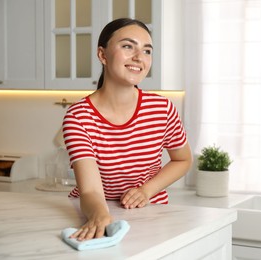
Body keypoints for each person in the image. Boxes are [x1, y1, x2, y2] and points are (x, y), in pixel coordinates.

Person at [62, 18, 192, 241]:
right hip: (95, 210)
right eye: (127, 46)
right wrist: (101, 216)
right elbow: (91, 191)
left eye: (147, 51)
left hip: (149, 211)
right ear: (102, 55)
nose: (139, 57)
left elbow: (183, 160)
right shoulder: (78, 117)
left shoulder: (162, 109)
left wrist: (146, 191)